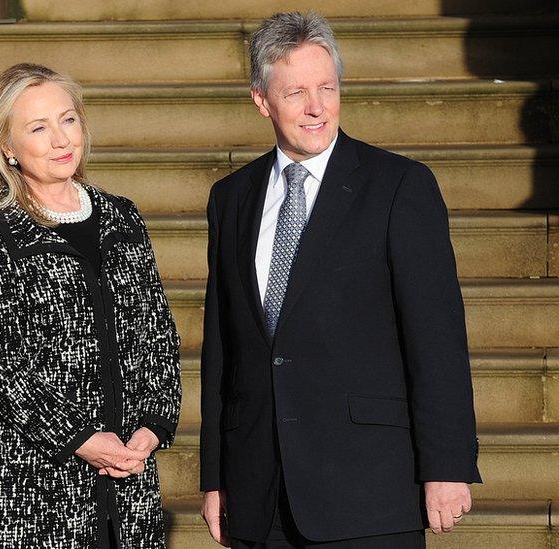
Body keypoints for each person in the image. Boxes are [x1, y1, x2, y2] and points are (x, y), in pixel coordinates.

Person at [198, 12, 481, 548]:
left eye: (327, 88)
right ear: (261, 99)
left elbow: (437, 337)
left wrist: (446, 465)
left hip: (370, 491)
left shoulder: (399, 186)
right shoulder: (230, 198)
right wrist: (216, 477)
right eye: (297, 92)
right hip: (261, 492)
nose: (316, 107)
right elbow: (223, 349)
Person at [0, 63, 182, 549]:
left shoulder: (122, 217)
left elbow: (157, 333)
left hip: (127, 473)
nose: (61, 139)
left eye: (68, 120)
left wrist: (153, 426)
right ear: (6, 148)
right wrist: (81, 439)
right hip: (29, 482)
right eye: (38, 127)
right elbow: (2, 365)